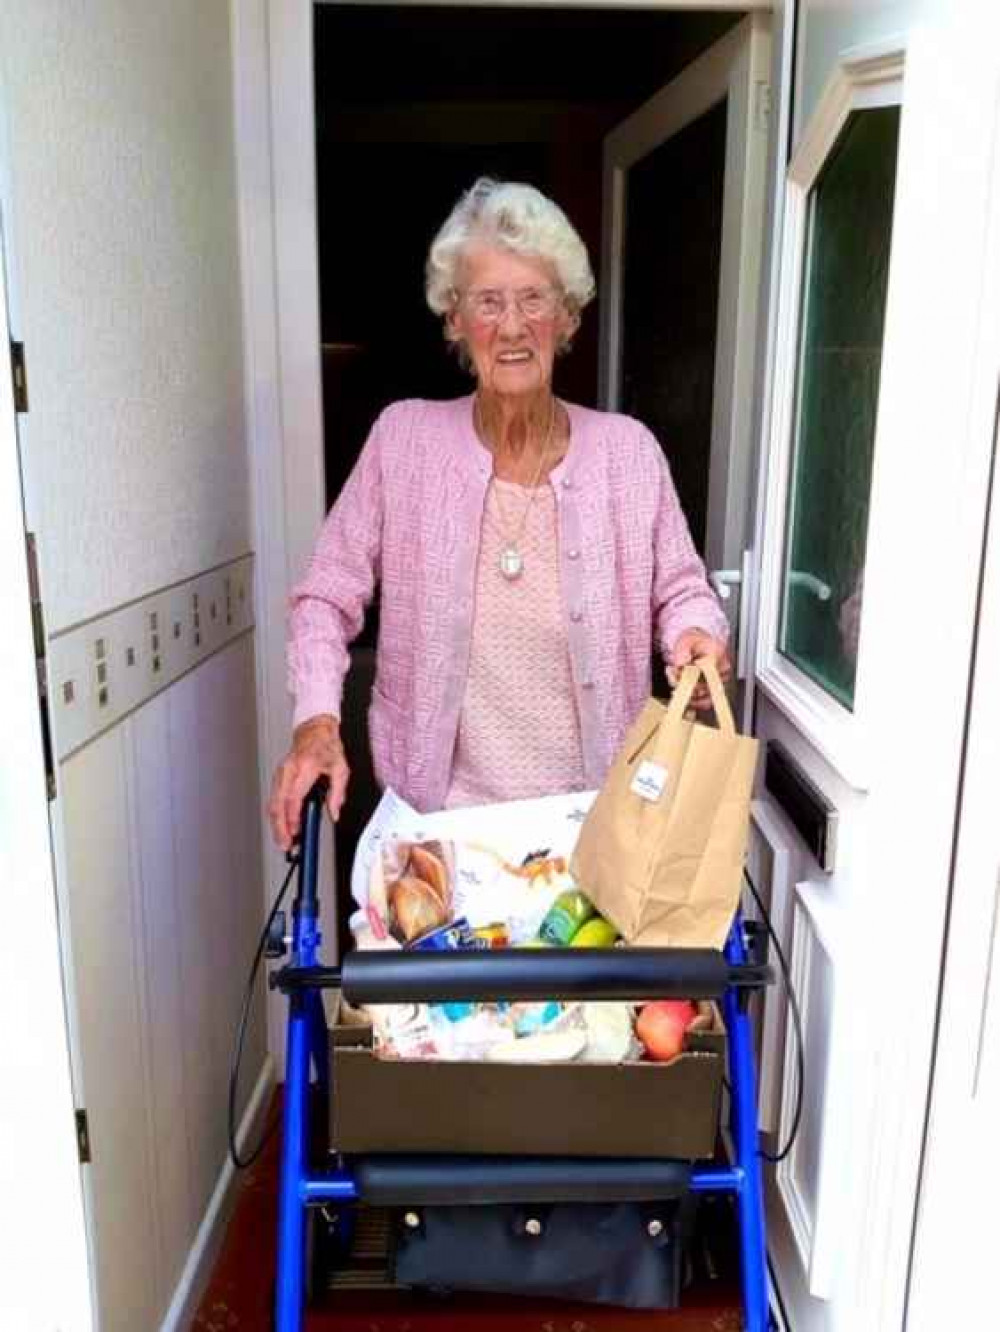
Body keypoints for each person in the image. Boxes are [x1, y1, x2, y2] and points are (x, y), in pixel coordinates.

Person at [269, 178, 730, 850]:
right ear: (455, 319)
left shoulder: (628, 454)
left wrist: (695, 634)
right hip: (439, 834)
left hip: (597, 837)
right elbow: (325, 595)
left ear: (567, 316)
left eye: (533, 299)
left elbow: (683, 589)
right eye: (488, 301)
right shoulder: (404, 442)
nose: (512, 326)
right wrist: (316, 722)